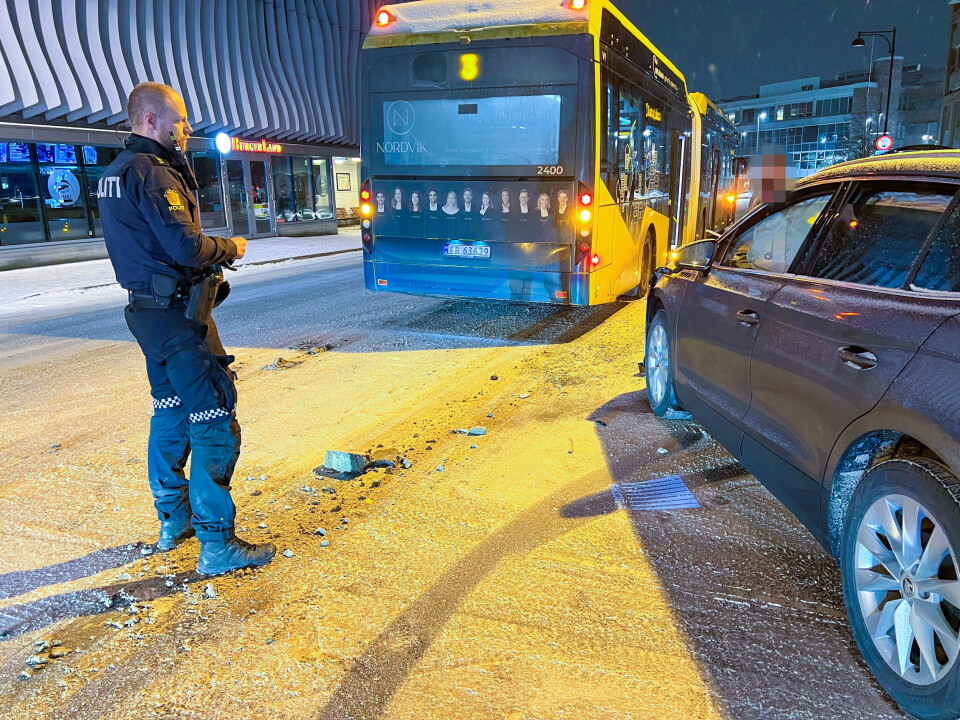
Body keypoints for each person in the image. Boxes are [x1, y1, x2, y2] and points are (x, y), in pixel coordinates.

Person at [97, 82, 275, 575]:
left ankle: (174, 521)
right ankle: (217, 545)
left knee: (170, 412)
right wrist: (231, 247)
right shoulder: (153, 172)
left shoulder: (115, 172)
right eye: (179, 119)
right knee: (215, 416)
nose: (187, 128)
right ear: (150, 120)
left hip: (148, 316)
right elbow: (186, 247)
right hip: (179, 318)